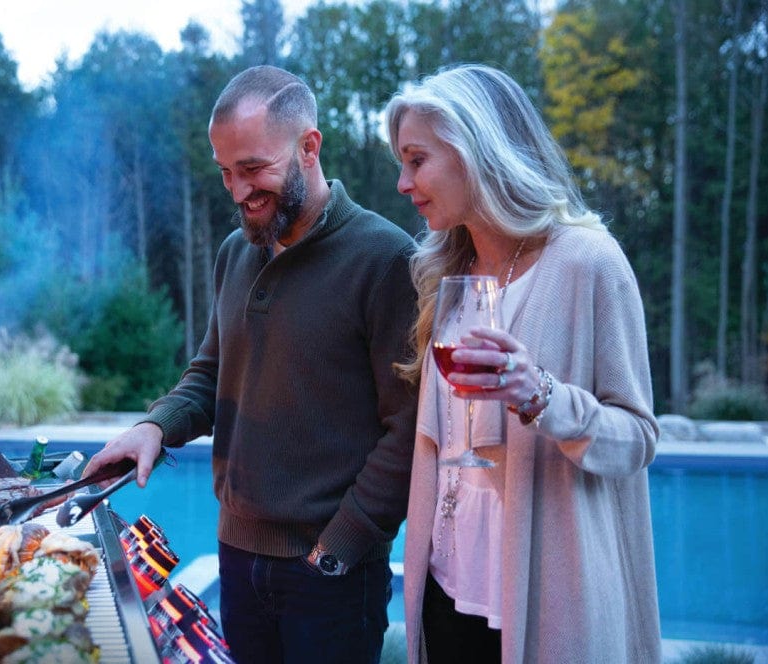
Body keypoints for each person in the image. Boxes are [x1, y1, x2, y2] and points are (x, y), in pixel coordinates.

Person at [81, 65, 418, 663]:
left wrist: (342, 545)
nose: (239, 191)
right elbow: (211, 372)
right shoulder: (237, 252)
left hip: (331, 575)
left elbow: (410, 429)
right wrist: (153, 427)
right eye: (226, 173)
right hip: (237, 556)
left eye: (255, 168)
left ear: (308, 146)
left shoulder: (386, 258)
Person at [384, 64, 662, 663]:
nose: (404, 183)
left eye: (417, 160)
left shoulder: (589, 263)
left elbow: (637, 439)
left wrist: (543, 398)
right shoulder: (444, 276)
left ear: (475, 150)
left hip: (545, 607)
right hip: (447, 591)